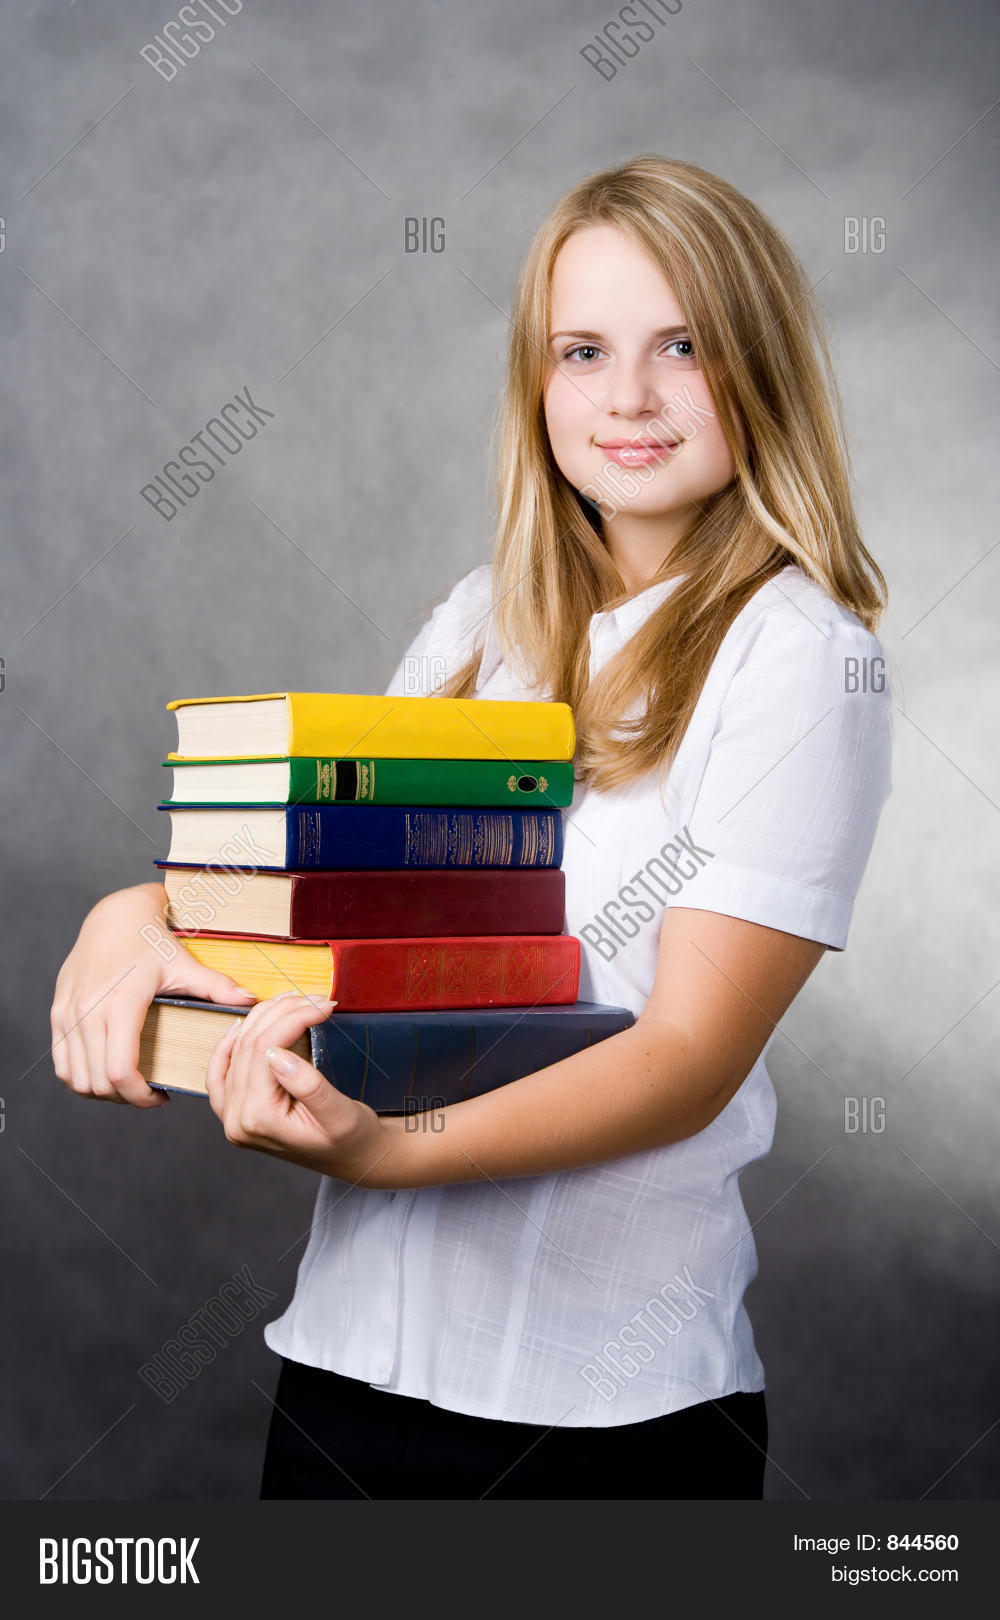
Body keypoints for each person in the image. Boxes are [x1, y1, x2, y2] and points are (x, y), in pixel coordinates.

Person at [50, 154, 893, 1501]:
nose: (627, 395)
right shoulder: (480, 619)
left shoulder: (798, 659)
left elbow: (685, 1057)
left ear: (761, 367)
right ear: (536, 383)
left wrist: (394, 1152)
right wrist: (133, 916)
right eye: (583, 349)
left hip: (602, 1424)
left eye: (682, 345)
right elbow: (348, 909)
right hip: (346, 1376)